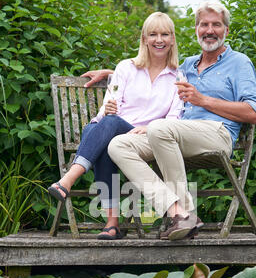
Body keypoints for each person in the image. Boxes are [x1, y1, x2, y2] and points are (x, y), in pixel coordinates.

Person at [108, 1, 256, 240]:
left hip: (217, 134)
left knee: (159, 128)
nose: (209, 30)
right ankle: (176, 210)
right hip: (173, 135)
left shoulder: (239, 62)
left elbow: (252, 113)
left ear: (226, 31)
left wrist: (203, 100)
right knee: (118, 145)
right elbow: (152, 68)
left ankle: (186, 213)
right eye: (204, 25)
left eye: (216, 25)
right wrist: (108, 74)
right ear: (196, 29)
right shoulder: (188, 65)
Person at [48, 12, 182, 239]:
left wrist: (150, 128)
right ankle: (112, 225)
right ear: (144, 39)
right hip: (115, 130)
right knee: (102, 130)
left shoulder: (178, 77)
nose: (159, 39)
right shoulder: (126, 68)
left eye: (164, 34)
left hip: (146, 137)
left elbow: (174, 118)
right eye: (153, 34)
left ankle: (69, 180)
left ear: (172, 39)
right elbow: (110, 105)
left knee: (101, 129)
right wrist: (108, 111)